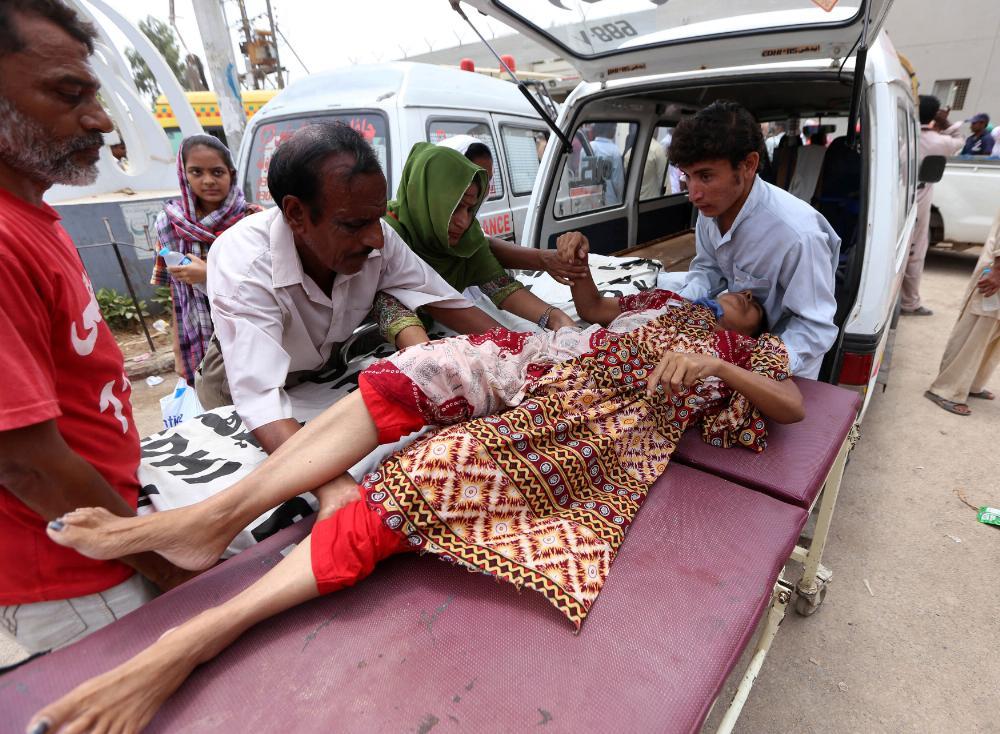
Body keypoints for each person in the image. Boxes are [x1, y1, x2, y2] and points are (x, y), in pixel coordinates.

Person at [30, 228, 803, 733]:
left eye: (750, 302)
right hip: (561, 358)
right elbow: (594, 309)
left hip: (602, 419)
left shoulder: (753, 358)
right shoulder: (664, 303)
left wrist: (718, 363)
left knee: (432, 473)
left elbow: (792, 407)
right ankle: (216, 519)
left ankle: (189, 641)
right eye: (732, 290)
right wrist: (579, 275)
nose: (734, 296)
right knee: (416, 366)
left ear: (758, 326)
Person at [0, 0, 190, 656]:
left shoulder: (32, 214)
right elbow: (26, 463)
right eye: (67, 93)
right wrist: (168, 568)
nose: (100, 119)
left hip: (110, 546)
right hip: (77, 578)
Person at [195, 123, 500, 456]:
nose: (376, 239)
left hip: (314, 374)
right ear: (296, 214)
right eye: (354, 225)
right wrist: (334, 487)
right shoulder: (246, 264)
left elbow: (444, 300)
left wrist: (522, 351)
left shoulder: (375, 235)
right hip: (238, 393)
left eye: (377, 219)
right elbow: (259, 400)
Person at [668, 100, 841, 379]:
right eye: (688, 177)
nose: (693, 194)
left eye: (706, 176)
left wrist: (759, 365)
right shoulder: (710, 211)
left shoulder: (797, 234)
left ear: (749, 165)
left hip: (786, 363)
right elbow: (708, 271)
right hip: (727, 347)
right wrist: (679, 311)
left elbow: (814, 327)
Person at [375, 142, 575, 342]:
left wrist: (558, 319)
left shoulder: (467, 239)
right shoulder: (386, 235)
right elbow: (392, 309)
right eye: (455, 207)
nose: (463, 221)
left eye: (470, 209)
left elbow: (502, 287)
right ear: (429, 198)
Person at [150, 135, 259, 385]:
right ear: (183, 174)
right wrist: (178, 352)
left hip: (251, 334)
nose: (208, 181)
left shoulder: (253, 219)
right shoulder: (169, 225)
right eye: (197, 172)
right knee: (216, 410)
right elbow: (175, 293)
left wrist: (211, 275)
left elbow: (273, 282)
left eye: (217, 172)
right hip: (198, 339)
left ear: (231, 173)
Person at [434, 135, 588, 287]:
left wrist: (546, 259)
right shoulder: (412, 253)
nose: (483, 189)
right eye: (476, 178)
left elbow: (481, 246)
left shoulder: (469, 224)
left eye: (488, 180)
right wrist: (544, 259)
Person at [925, 207, 1000, 415]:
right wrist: (998, 270)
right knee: (976, 329)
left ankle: (973, 384)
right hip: (997, 270)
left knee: (993, 334)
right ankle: (945, 390)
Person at [901, 95, 964, 316]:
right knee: (915, 252)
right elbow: (959, 140)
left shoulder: (902, 136)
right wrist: (945, 122)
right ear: (936, 115)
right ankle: (909, 302)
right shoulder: (938, 142)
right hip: (918, 200)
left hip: (894, 198)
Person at [589, 122, 626, 206]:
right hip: (609, 205)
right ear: (611, 129)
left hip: (589, 204)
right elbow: (618, 183)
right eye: (615, 128)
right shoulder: (615, 151)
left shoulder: (587, 147)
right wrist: (621, 203)